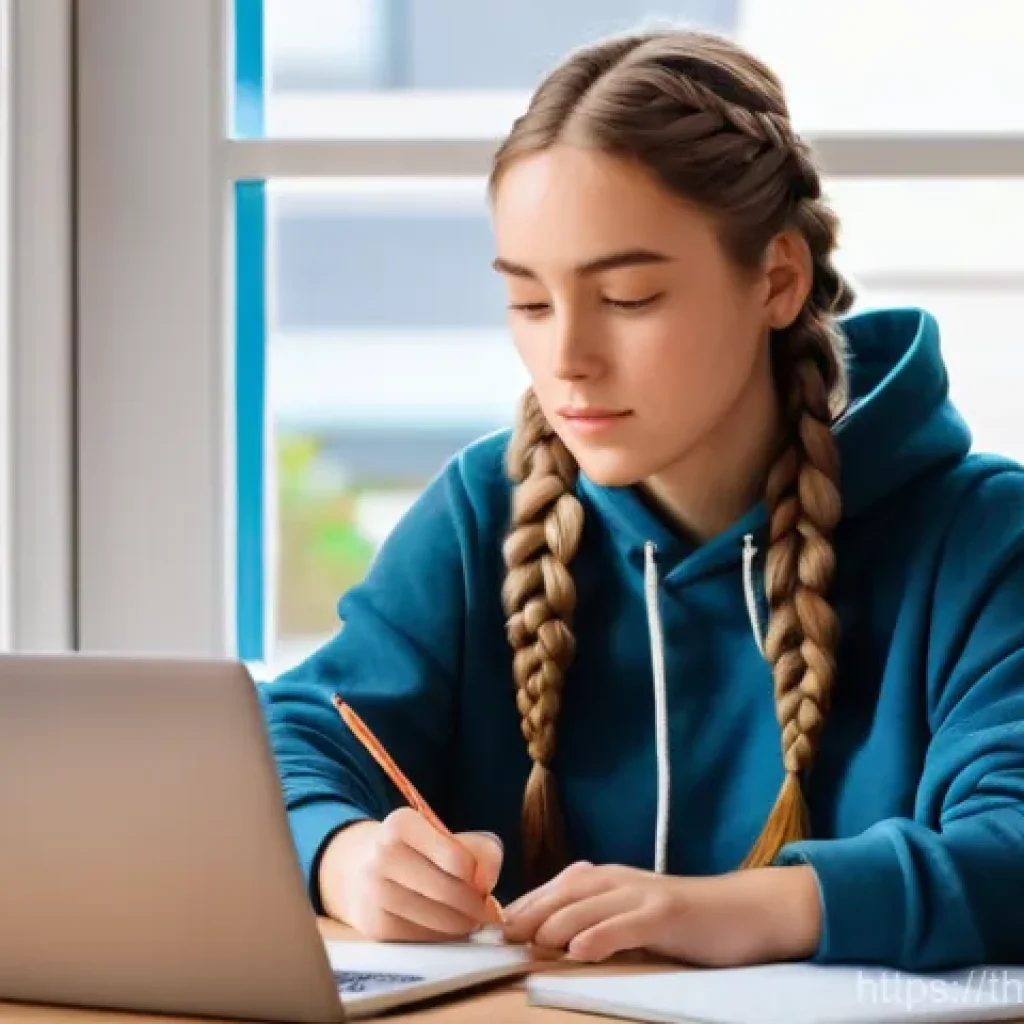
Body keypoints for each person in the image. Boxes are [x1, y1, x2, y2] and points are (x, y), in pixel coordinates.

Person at [258, 26, 1024, 971]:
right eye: (530, 303)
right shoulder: (481, 513)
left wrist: (749, 909)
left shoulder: (984, 539)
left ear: (777, 279)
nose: (567, 359)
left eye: (626, 298)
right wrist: (344, 856)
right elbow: (290, 739)